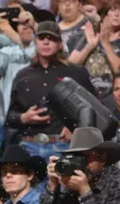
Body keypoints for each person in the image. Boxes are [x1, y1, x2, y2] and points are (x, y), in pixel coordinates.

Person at [6, 20, 97, 160]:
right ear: (35, 42)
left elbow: (94, 106)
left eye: (51, 39)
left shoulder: (76, 73)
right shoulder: (22, 75)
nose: (46, 42)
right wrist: (23, 117)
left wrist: (76, 128)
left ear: (60, 44)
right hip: (29, 145)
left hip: (64, 146)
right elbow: (10, 116)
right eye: (42, 38)